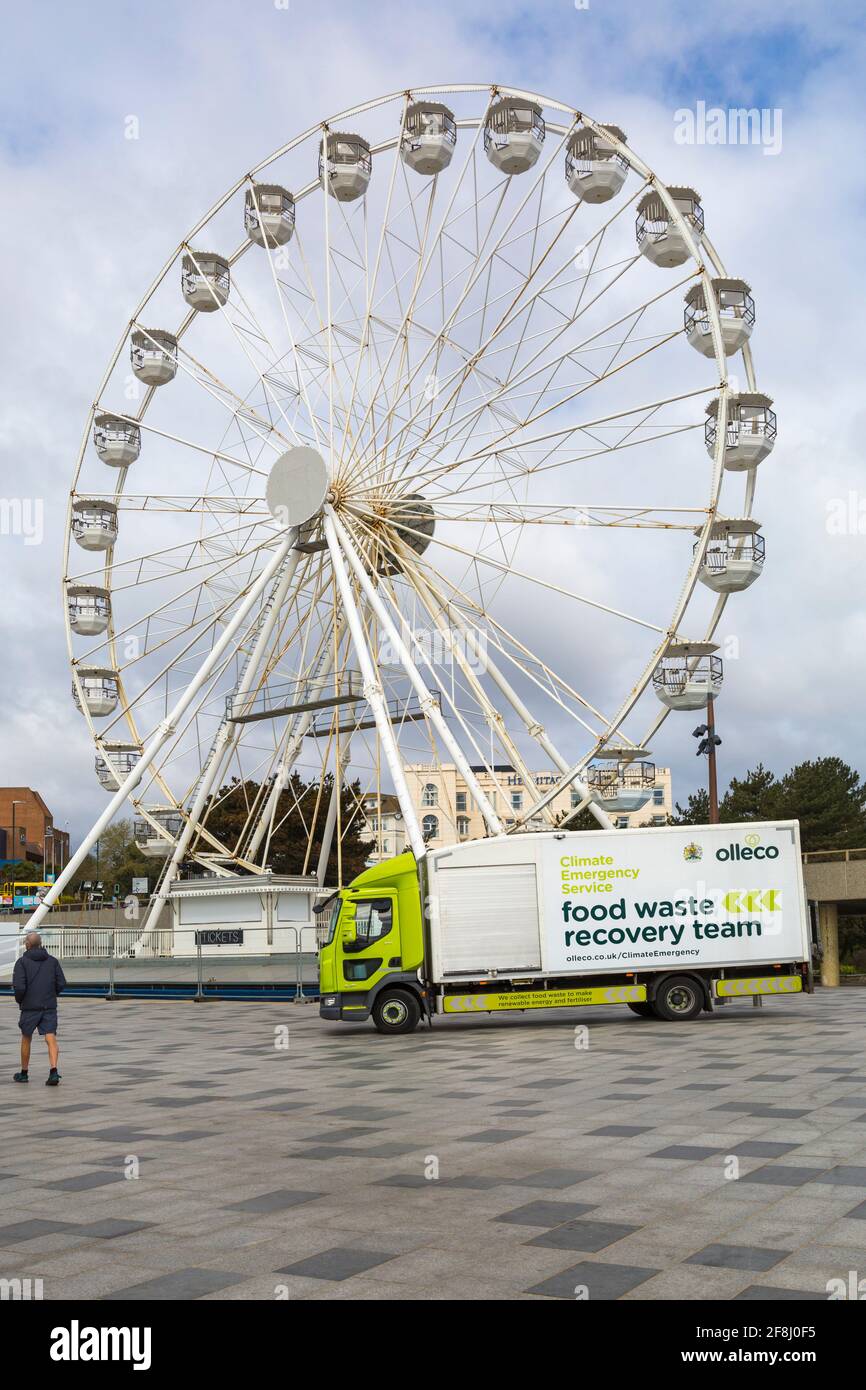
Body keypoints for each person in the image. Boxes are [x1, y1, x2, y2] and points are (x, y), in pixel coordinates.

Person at [12, 932, 66, 1086]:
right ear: (40, 944)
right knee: (50, 1037)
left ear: (28, 945)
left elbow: (20, 987)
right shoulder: (52, 961)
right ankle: (54, 1071)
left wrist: (20, 1000)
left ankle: (24, 1073)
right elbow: (61, 982)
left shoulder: (22, 963)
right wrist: (51, 994)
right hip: (48, 1005)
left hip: (29, 1007)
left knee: (26, 1037)